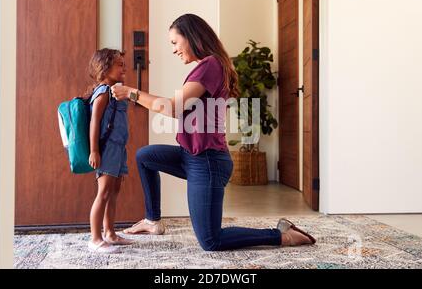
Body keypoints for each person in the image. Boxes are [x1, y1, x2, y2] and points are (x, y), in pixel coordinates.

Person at [111, 14, 316, 251]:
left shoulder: (211, 65)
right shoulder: (208, 66)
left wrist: (131, 93)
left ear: (191, 37)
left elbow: (173, 107)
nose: (174, 50)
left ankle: (283, 236)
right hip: (191, 156)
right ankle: (152, 220)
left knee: (211, 240)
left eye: (175, 42)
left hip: (207, 162)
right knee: (145, 156)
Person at [87, 49, 133, 253]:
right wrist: (94, 151)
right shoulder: (103, 92)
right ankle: (95, 238)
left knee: (114, 192)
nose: (124, 68)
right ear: (105, 68)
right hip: (107, 149)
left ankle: (110, 233)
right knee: (103, 192)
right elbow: (95, 122)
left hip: (119, 148)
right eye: (119, 64)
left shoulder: (115, 91)